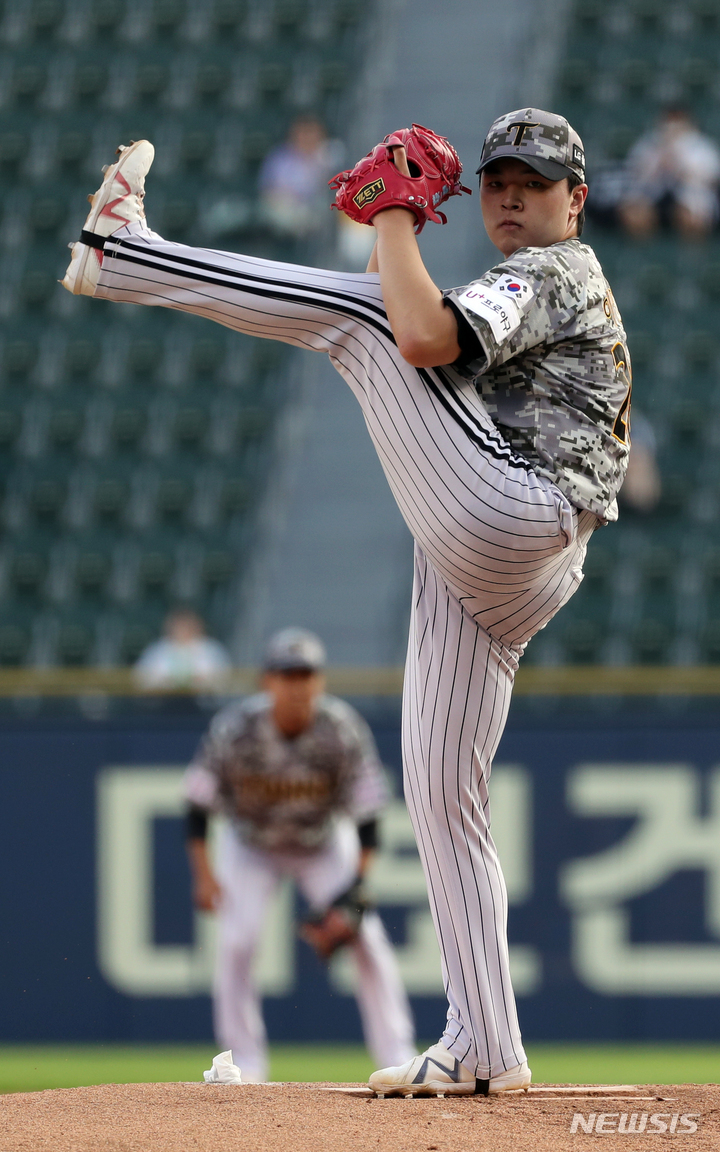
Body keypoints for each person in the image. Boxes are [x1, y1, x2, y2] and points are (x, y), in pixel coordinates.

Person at [61, 106, 629, 1096]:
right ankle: (485, 1042)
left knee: (362, 322)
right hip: (508, 552)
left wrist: (396, 213)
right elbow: (409, 328)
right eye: (496, 179)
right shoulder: (522, 280)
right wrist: (388, 225)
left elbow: (403, 332)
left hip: (515, 511)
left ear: (574, 200)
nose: (508, 195)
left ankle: (124, 256)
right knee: (448, 805)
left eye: (532, 183)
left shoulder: (554, 269)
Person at [182, 626, 416, 1083]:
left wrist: (354, 889)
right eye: (287, 674)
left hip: (322, 844)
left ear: (319, 681)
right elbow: (197, 805)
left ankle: (397, 1053)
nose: (296, 685)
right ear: (267, 681)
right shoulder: (235, 730)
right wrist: (204, 875)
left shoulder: (341, 729)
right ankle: (244, 1062)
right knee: (236, 941)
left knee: (366, 938)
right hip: (251, 846)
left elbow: (369, 816)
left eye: (305, 674)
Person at [619, 106, 720, 239]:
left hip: (691, 195)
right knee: (635, 213)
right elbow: (635, 173)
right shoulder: (649, 143)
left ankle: (690, 255)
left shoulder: (700, 146)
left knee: (690, 216)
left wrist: (679, 163)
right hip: (653, 193)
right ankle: (641, 254)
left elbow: (711, 178)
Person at [258, 115, 343, 240]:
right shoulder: (280, 158)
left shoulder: (331, 156)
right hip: (286, 218)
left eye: (312, 132)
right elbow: (269, 193)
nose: (307, 137)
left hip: (322, 216)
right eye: (303, 133)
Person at [134, 606, 232, 691]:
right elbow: (139, 678)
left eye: (186, 625)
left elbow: (225, 679)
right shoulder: (157, 649)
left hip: (203, 704)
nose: (182, 629)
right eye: (178, 625)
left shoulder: (212, 649)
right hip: (163, 704)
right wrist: (165, 682)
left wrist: (201, 681)